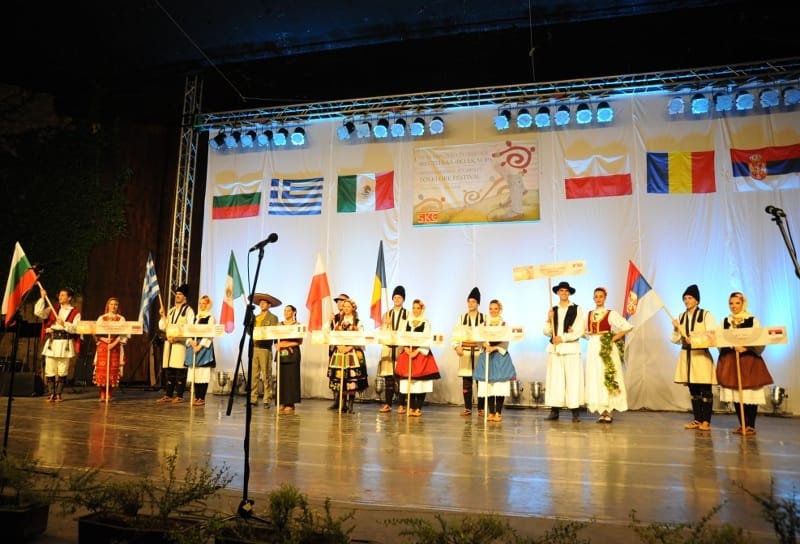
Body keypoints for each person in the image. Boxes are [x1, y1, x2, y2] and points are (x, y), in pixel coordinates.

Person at [716, 291, 773, 436]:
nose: (733, 306)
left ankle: (750, 425)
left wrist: (746, 348)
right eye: (731, 303)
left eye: (737, 303)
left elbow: (760, 339)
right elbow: (719, 339)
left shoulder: (752, 320)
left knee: (750, 392)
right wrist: (730, 345)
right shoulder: (725, 321)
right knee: (736, 393)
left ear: (743, 304)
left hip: (748, 361)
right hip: (731, 361)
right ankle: (742, 424)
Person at [670, 284, 718, 431]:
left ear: (696, 300)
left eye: (690, 298)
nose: (687, 301)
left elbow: (713, 335)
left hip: (701, 356)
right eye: (685, 298)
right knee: (693, 390)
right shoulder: (681, 316)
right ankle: (697, 419)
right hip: (687, 356)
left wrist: (696, 340)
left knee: (705, 389)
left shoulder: (706, 315)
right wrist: (676, 329)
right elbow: (674, 339)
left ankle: (706, 421)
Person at [583, 287, 632, 423]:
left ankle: (609, 410)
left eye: (601, 296)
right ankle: (602, 410)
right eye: (596, 296)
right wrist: (575, 331)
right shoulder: (589, 314)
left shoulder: (610, 313)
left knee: (607, 374)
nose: (598, 299)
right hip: (593, 347)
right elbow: (585, 332)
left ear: (605, 298)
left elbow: (627, 327)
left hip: (606, 346)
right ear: (593, 298)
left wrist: (612, 339)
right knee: (596, 376)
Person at [543, 281, 585, 422]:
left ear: (569, 293)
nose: (564, 293)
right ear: (557, 292)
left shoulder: (577, 309)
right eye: (561, 290)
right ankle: (554, 411)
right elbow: (546, 332)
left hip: (571, 349)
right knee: (555, 380)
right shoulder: (553, 309)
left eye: (566, 291)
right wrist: (548, 319)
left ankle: (575, 412)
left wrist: (563, 338)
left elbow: (579, 330)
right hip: (555, 349)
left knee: (573, 380)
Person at [34, 286, 81, 403]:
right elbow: (38, 312)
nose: (60, 297)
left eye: (63, 295)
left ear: (69, 298)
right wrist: (42, 298)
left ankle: (59, 394)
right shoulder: (52, 309)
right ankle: (51, 393)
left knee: (62, 369)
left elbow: (76, 329)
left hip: (65, 344)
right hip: (53, 343)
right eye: (59, 295)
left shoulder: (75, 313)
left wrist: (64, 324)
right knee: (50, 368)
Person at [395, 298, 441, 417]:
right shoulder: (407, 322)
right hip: (408, 353)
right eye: (414, 308)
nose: (415, 310)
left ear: (421, 309)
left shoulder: (426, 322)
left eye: (418, 308)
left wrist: (417, 351)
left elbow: (427, 338)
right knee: (409, 382)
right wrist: (406, 348)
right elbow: (401, 336)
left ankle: (418, 407)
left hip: (420, 354)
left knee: (421, 383)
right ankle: (410, 406)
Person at [473, 299, 517, 422]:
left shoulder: (504, 325)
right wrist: (484, 345)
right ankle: (491, 412)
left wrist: (495, 348)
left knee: (499, 385)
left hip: (499, 356)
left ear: (500, 310)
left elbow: (506, 340)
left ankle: (498, 412)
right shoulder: (483, 324)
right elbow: (478, 337)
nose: (493, 311)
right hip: (487, 355)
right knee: (489, 384)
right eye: (491, 308)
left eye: (495, 308)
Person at [327, 298, 368, 413]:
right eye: (344, 306)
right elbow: (332, 335)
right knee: (341, 379)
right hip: (340, 353)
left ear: (353, 308)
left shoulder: (358, 322)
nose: (346, 308)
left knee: (352, 379)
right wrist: (339, 346)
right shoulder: (338, 322)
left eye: (348, 306)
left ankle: (351, 405)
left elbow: (360, 337)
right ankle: (342, 404)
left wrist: (349, 347)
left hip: (352, 353)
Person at [156, 284, 195, 403]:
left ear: (185, 297)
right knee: (169, 370)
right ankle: (168, 394)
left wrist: (178, 338)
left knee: (180, 370)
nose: (177, 296)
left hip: (180, 344)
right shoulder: (172, 310)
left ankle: (179, 395)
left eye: (180, 294)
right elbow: (163, 326)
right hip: (169, 344)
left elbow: (190, 328)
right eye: (176, 294)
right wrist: (162, 315)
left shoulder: (188, 311)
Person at [453, 287, 486, 416]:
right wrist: (456, 347)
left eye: (473, 301)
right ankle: (468, 407)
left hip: (479, 352)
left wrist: (486, 347)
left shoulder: (484, 318)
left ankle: (481, 408)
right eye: (469, 301)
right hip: (465, 352)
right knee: (466, 381)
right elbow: (455, 334)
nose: (471, 304)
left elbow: (488, 334)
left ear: (478, 303)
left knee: (480, 381)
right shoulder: (462, 318)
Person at [378, 285, 408, 413]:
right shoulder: (387, 314)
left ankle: (401, 404)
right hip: (388, 349)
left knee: (401, 378)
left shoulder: (408, 314)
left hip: (401, 349)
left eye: (399, 297)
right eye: (395, 297)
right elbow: (382, 333)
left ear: (403, 299)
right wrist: (386, 325)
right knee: (388, 378)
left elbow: (407, 332)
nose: (397, 299)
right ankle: (388, 404)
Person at [93, 297, 128, 402]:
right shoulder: (101, 318)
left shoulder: (121, 319)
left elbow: (124, 334)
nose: (113, 306)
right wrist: (103, 339)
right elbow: (95, 332)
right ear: (108, 306)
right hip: (103, 346)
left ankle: (109, 393)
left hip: (115, 346)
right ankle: (102, 392)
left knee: (113, 369)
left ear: (118, 307)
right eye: (111, 304)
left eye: (115, 304)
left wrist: (113, 343)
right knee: (102, 369)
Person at [185, 294, 216, 406]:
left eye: (204, 303)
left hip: (203, 348)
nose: (202, 305)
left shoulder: (210, 318)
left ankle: (201, 398)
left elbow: (209, 334)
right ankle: (196, 397)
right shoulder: (196, 317)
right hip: (194, 346)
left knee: (202, 373)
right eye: (200, 303)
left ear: (208, 305)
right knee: (195, 373)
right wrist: (191, 341)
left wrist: (200, 346)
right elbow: (189, 331)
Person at [251, 293, 280, 407]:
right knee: (254, 375)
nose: (262, 304)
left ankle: (267, 398)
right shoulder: (255, 317)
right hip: (255, 347)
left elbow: (273, 332)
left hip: (265, 349)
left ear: (269, 305)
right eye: (260, 303)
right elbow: (250, 331)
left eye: (264, 303)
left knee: (266, 374)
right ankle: (253, 398)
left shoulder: (273, 318)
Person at [275, 304, 303, 414]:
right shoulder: (279, 325)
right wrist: (279, 345)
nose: (286, 313)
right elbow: (276, 341)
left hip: (293, 354)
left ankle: (290, 403)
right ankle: (282, 401)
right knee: (281, 378)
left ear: (293, 312)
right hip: (281, 354)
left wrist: (285, 344)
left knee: (291, 378)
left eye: (288, 311)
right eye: (285, 311)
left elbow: (299, 341)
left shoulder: (298, 325)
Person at [327, 293, 350, 410]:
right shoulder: (334, 317)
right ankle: (336, 400)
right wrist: (329, 322)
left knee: (345, 376)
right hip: (334, 349)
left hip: (345, 350)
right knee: (334, 375)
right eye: (338, 301)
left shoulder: (350, 317)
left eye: (342, 301)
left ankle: (344, 402)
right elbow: (327, 332)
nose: (340, 303)